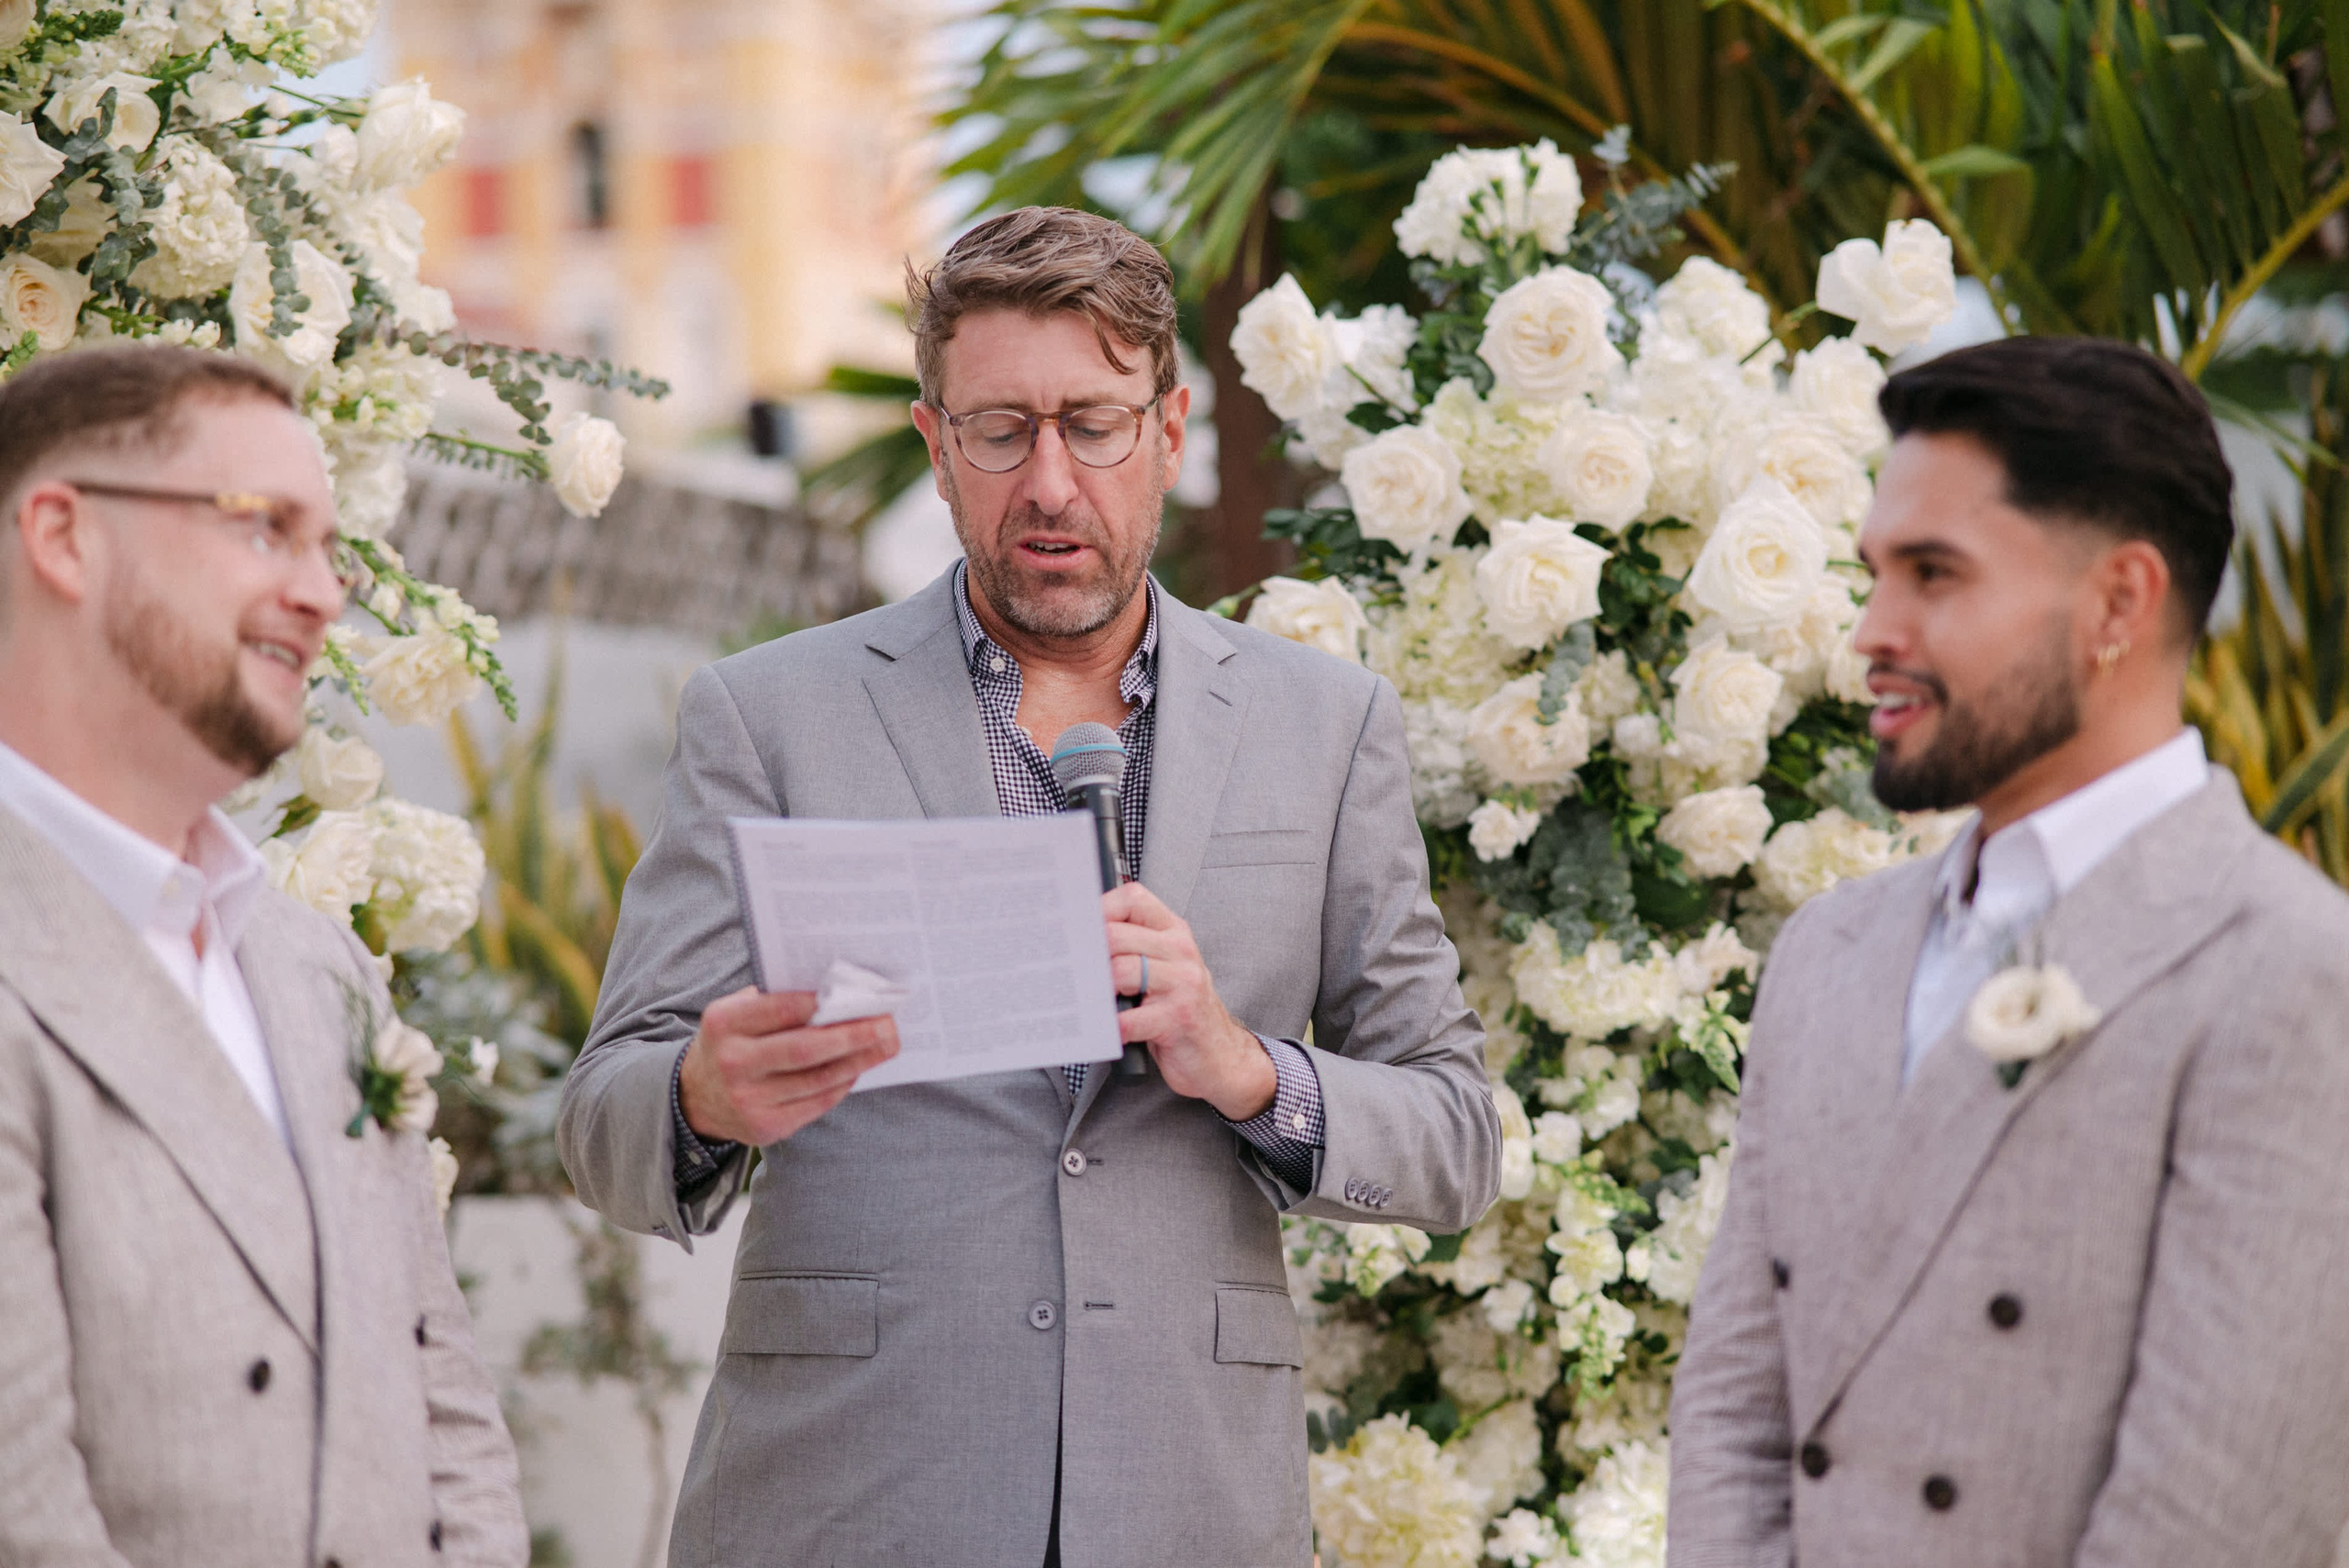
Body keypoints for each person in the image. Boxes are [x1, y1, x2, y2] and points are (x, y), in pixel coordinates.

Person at [558, 206, 1500, 1567]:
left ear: (1170, 432)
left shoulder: (1326, 723)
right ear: (939, 449)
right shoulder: (768, 716)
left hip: (1186, 1506)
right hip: (848, 1501)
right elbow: (599, 1116)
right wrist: (703, 1097)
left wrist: (1247, 1068)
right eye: (1001, 431)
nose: (1049, 480)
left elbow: (1457, 1134)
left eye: (1093, 424)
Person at [1666, 336, 2349, 1566]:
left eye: (1934, 572)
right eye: (1875, 571)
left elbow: (2217, 1520)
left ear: (2119, 602)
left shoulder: (2285, 968)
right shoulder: (1828, 952)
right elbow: (1734, 1408)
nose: (1868, 630)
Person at [0, 345, 528, 1568]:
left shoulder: (314, 961)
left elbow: (441, 1393)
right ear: (66, 536)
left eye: (327, 548)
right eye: (265, 530)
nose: (321, 593)